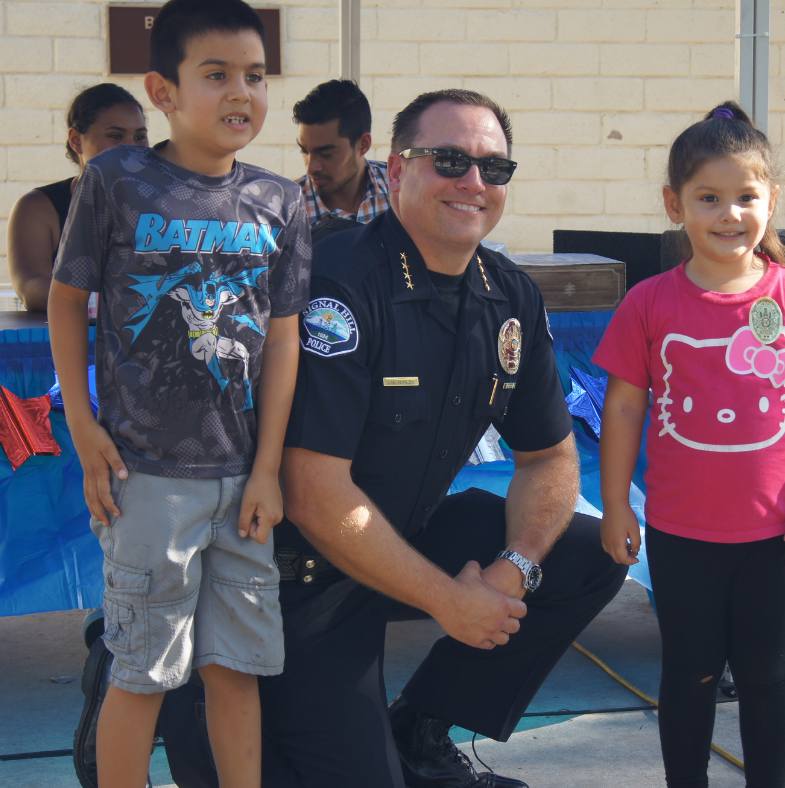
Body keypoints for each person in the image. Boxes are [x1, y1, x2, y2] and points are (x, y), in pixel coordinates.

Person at [155, 88, 627, 788]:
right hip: (296, 578)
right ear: (398, 170)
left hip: (404, 533)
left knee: (586, 553)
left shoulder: (509, 294)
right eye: (449, 162)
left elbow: (552, 460)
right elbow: (315, 495)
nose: (473, 183)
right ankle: (161, 677)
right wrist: (449, 600)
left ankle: (421, 725)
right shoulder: (341, 285)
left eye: (493, 169)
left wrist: (512, 570)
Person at [48, 1, 312, 787]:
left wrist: (268, 468)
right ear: (163, 90)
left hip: (242, 483)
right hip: (147, 478)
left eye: (256, 76)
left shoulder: (280, 201)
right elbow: (67, 300)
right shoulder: (116, 180)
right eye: (217, 75)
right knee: (145, 672)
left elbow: (284, 337)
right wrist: (81, 420)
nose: (242, 93)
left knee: (237, 669)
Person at [593, 101, 785, 788]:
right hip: (681, 533)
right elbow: (622, 408)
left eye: (746, 196)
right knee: (690, 670)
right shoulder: (649, 303)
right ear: (673, 205)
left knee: (768, 670)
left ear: (771, 201)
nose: (729, 213)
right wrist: (618, 505)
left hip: (777, 532)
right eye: (708, 197)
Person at [7, 83, 148, 311]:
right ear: (76, 140)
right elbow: (31, 289)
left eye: (140, 137)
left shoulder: (164, 204)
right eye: (115, 136)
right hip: (70, 341)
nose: (131, 148)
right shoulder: (37, 207)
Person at [293, 78, 389, 233]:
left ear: (363, 144)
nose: (311, 167)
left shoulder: (401, 188)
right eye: (304, 151)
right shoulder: (287, 212)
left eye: (326, 154)